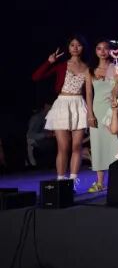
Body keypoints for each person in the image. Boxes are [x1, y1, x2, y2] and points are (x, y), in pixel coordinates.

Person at [33, 37, 96, 187]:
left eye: (79, 45)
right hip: (62, 104)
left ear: (83, 48)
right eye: (72, 45)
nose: (75, 48)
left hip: (79, 105)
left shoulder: (88, 68)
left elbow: (89, 93)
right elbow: (36, 77)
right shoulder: (62, 65)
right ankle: (61, 180)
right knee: (63, 147)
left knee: (77, 146)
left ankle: (73, 181)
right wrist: (49, 62)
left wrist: (90, 113)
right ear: (68, 48)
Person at [88, 40, 118, 192]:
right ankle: (100, 182)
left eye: (106, 48)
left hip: (113, 109)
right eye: (99, 48)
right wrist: (90, 114)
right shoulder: (90, 70)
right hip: (97, 109)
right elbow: (89, 93)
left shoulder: (116, 66)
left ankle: (117, 181)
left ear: (111, 51)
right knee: (97, 144)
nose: (102, 51)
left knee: (116, 143)